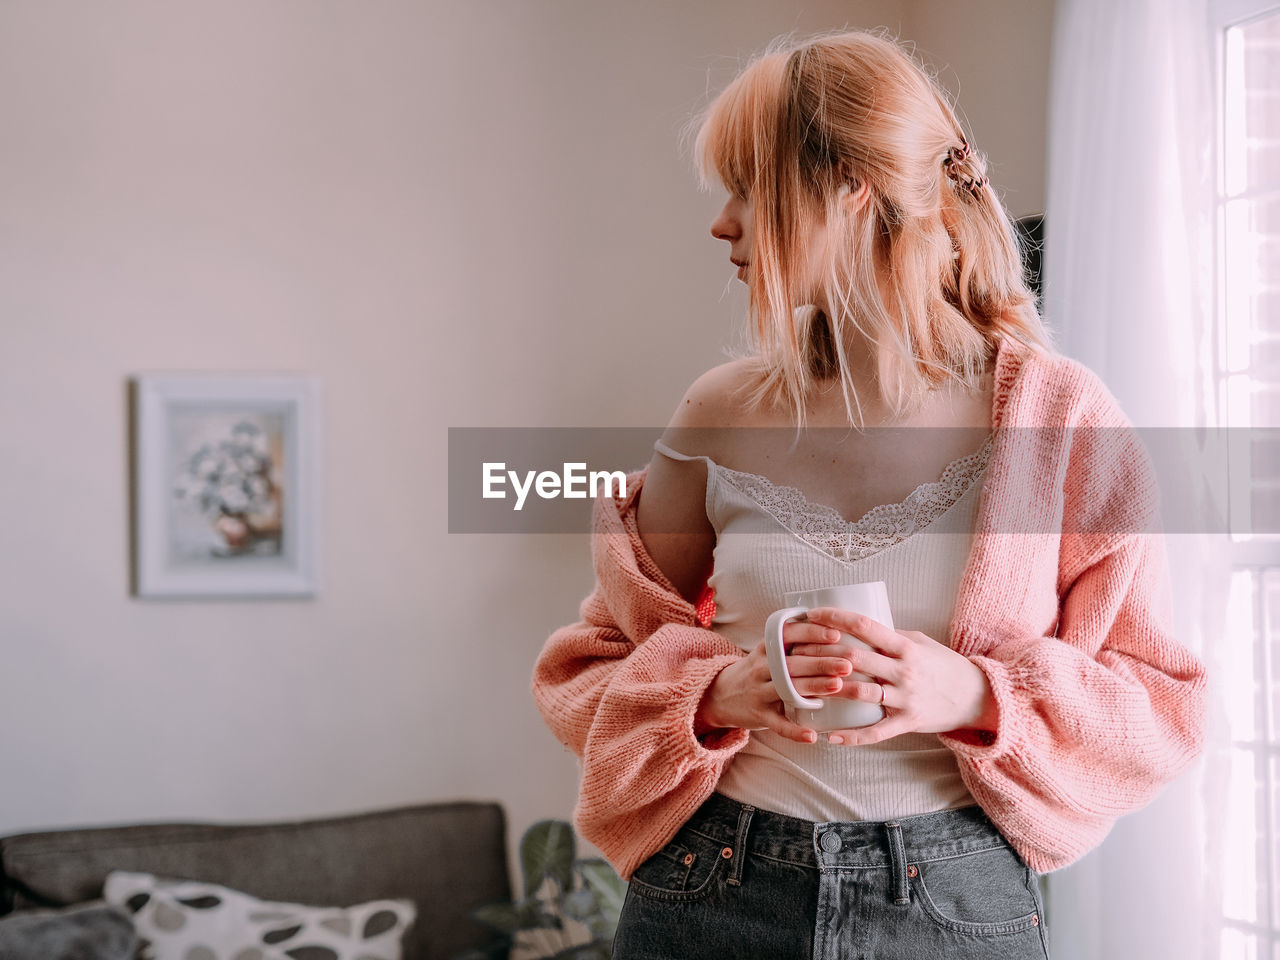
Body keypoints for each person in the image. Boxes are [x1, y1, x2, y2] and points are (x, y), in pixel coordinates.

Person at [532, 28, 1207, 960]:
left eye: (749, 189)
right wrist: (717, 694)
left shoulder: (1058, 421)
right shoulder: (716, 414)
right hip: (708, 891)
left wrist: (972, 692)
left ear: (848, 190)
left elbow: (1160, 704)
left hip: (956, 906)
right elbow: (591, 662)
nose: (722, 223)